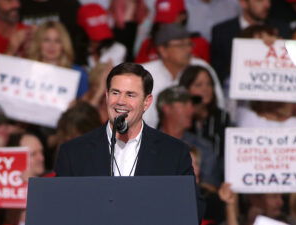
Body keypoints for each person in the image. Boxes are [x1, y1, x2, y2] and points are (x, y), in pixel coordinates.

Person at [55, 62, 203, 222]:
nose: (120, 101)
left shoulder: (174, 152)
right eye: (115, 92)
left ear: (146, 102)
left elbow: (193, 210)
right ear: (106, 96)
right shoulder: (74, 152)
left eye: (130, 95)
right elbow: (61, 211)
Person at [142, 23, 225, 129]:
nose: (188, 50)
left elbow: (219, 104)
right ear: (163, 50)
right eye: (181, 45)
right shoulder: (144, 73)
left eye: (189, 44)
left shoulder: (201, 67)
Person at [26, 20, 89, 97]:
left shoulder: (78, 74)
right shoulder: (26, 71)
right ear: (38, 44)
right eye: (46, 40)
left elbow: (86, 107)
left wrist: (77, 104)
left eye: (57, 41)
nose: (51, 46)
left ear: (63, 45)